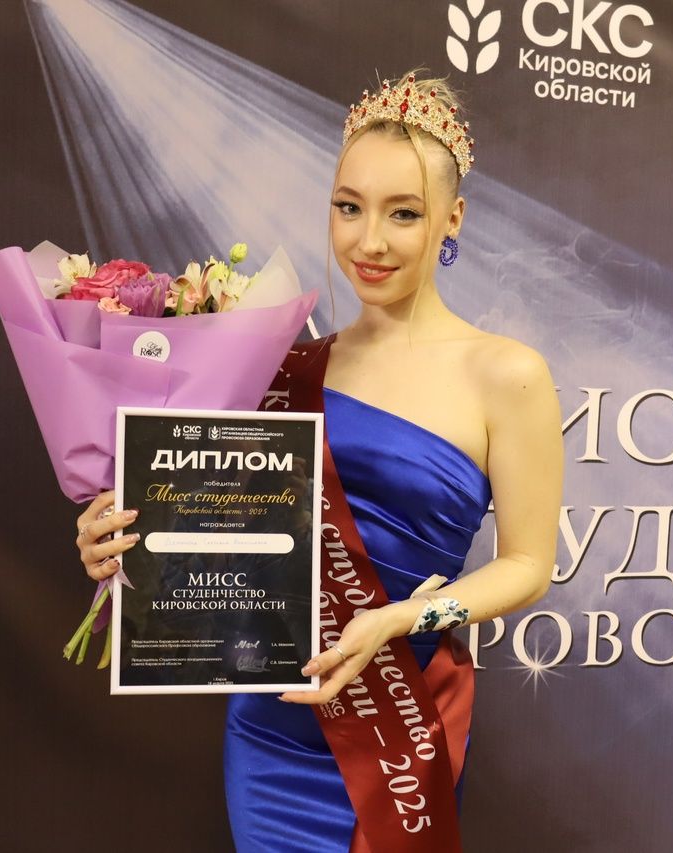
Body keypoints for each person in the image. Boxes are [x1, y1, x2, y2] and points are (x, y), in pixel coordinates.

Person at [74, 70, 563, 852]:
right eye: (349, 206)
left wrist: (405, 617)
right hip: (273, 728)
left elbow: (530, 564)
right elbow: (219, 538)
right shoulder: (282, 367)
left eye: (404, 213)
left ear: (453, 217)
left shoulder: (506, 373)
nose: (369, 241)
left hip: (400, 721)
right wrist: (122, 541)